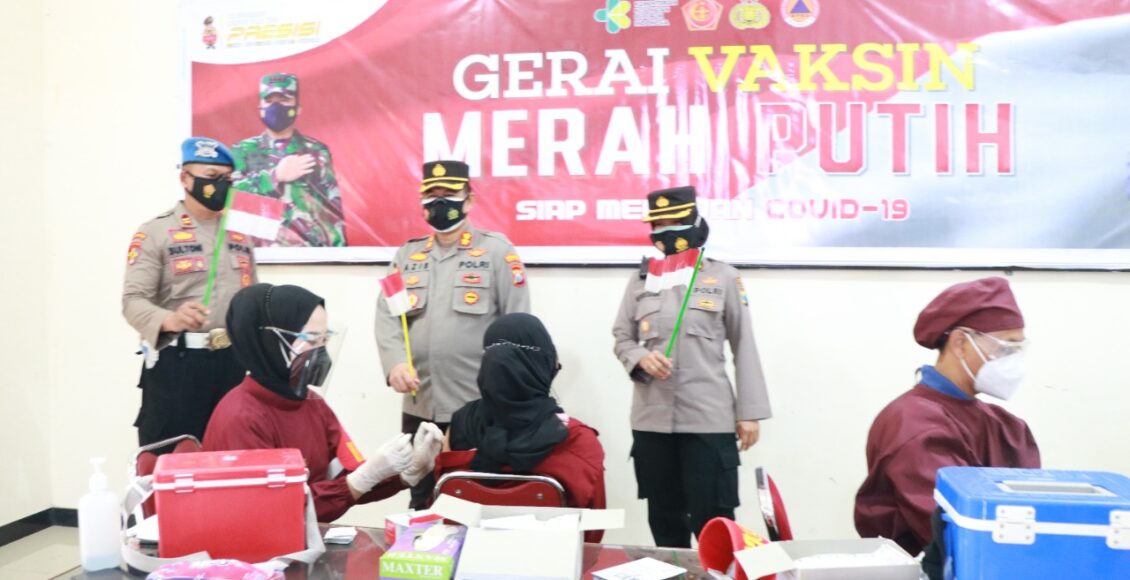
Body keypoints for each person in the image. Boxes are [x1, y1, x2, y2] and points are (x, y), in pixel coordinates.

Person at [611, 185, 772, 548]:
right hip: (652, 421)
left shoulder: (724, 278)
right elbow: (622, 337)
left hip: (708, 420)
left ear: (694, 222)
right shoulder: (641, 280)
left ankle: (720, 572)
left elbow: (744, 344)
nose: (665, 230)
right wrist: (640, 358)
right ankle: (675, 573)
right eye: (658, 224)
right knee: (664, 520)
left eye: (674, 221)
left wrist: (750, 413)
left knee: (714, 519)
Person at [204, 283, 443, 522]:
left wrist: (406, 472)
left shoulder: (312, 402)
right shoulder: (241, 417)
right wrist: (360, 480)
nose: (320, 352)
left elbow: (347, 479)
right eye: (311, 340)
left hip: (304, 537)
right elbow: (271, 513)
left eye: (324, 339)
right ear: (269, 341)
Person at [375, 159, 531, 509]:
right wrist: (395, 363)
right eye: (432, 195)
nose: (440, 202)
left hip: (475, 404)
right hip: (420, 401)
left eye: (449, 193)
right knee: (420, 494)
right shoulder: (407, 255)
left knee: (471, 497)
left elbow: (518, 324)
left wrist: (505, 393)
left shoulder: (497, 252)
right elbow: (387, 316)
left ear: (469, 199)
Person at [854, 276, 1041, 555]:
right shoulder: (914, 424)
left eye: (1018, 349)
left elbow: (1036, 514)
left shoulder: (1007, 427)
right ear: (960, 343)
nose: (1013, 361)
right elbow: (954, 535)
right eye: (1005, 348)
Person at [122, 137, 256, 447]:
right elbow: (133, 301)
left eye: (227, 179)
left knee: (233, 454)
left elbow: (251, 301)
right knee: (174, 456)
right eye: (211, 177)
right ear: (185, 178)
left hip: (234, 364)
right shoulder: (156, 232)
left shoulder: (239, 235)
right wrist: (170, 319)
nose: (220, 186)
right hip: (179, 365)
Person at [439, 313, 606, 541]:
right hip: (553, 559)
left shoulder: (460, 424)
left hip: (466, 556)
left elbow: (445, 514)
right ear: (543, 365)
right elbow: (592, 534)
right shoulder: (577, 439)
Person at [230, 73, 345, 247]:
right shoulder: (242, 151)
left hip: (306, 253)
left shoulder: (316, 151)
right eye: (269, 101)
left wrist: (338, 253)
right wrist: (275, 177)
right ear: (260, 107)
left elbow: (331, 209)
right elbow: (229, 199)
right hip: (258, 253)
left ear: (298, 108)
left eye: (284, 99)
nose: (275, 106)